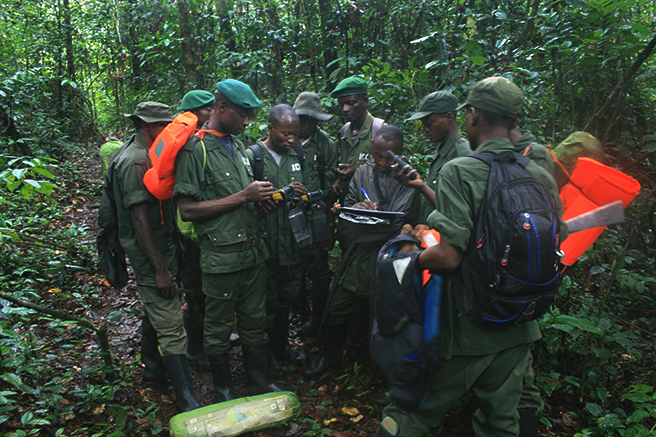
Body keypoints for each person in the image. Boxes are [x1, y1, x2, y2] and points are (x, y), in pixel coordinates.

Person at [377, 77, 566, 437]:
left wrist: (407, 261)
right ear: (513, 120)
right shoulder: (538, 173)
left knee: (410, 412)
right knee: (501, 422)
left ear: (473, 115)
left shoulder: (460, 171)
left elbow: (449, 257)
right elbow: (559, 238)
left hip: (467, 326)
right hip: (519, 323)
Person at [173, 79, 283, 402]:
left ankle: (259, 380)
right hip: (221, 260)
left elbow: (243, 199)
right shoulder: (196, 150)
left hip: (253, 256)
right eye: (243, 113)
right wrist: (243, 196)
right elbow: (188, 209)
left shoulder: (237, 146)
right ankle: (224, 389)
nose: (247, 121)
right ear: (222, 108)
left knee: (255, 323)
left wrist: (261, 201)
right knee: (218, 330)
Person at [304, 125, 418, 379]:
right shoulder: (364, 172)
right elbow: (348, 204)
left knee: (388, 315)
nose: (382, 162)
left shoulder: (410, 177)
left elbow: (407, 217)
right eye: (377, 155)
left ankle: (385, 372)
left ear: (401, 153)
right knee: (339, 304)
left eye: (389, 157)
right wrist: (360, 206)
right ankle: (331, 354)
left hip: (392, 257)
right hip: (362, 252)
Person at [113, 101, 200, 412]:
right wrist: (159, 269)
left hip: (163, 248)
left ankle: (152, 368)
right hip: (152, 255)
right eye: (163, 125)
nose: (169, 132)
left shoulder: (149, 153)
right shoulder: (135, 161)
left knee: (156, 310)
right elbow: (139, 220)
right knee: (171, 323)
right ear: (145, 125)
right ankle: (186, 396)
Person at [244, 104, 310, 373]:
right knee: (265, 306)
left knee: (286, 300)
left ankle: (282, 347)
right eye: (286, 134)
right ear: (271, 128)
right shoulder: (253, 156)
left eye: (295, 134)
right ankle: (265, 355)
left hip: (291, 244)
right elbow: (243, 201)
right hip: (264, 244)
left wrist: (301, 195)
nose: (291, 140)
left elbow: (305, 196)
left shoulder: (298, 155)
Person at [292, 92, 339, 338]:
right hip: (288, 216)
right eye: (302, 119)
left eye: (312, 120)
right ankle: (294, 308)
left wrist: (329, 225)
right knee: (291, 265)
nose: (306, 125)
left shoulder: (326, 145)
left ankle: (317, 318)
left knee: (319, 270)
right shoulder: (284, 139)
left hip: (315, 218)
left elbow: (331, 188)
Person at [402, 91, 471, 222]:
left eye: (429, 123)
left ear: (448, 117)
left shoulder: (462, 153)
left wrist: (421, 186)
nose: (425, 129)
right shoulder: (443, 148)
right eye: (423, 124)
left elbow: (457, 211)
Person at [330, 77, 385, 200]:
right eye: (341, 105)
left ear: (364, 101)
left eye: (350, 103)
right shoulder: (344, 132)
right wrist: (338, 181)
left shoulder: (379, 130)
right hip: (349, 201)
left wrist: (357, 173)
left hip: (372, 204)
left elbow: (391, 173)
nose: (345, 109)